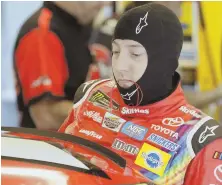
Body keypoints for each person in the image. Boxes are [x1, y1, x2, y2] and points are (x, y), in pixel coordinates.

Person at [59, 3, 222, 185]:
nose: (120, 66)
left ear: (162, 60)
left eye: (135, 54)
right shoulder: (91, 95)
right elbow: (55, 167)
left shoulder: (198, 139)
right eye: (116, 51)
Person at [90, 2, 222, 110]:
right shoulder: (147, 37)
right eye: (179, 5)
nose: (181, 13)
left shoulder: (121, 21)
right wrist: (216, 93)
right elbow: (164, 100)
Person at [13, 1, 105, 130]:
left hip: (77, 141)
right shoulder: (42, 32)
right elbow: (46, 116)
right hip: (46, 146)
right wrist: (107, 118)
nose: (104, 3)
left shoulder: (81, 26)